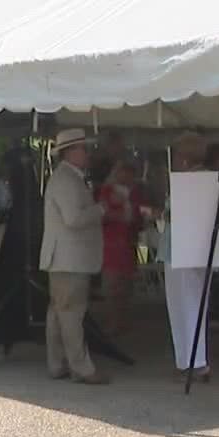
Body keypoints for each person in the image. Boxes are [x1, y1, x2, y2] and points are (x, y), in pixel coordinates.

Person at [40, 129, 108, 385]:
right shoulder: (66, 180)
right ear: (71, 152)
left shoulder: (67, 178)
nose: (87, 154)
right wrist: (99, 209)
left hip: (64, 257)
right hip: (69, 258)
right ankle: (81, 368)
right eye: (83, 149)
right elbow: (73, 219)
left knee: (59, 314)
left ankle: (57, 364)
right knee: (70, 314)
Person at [161, 133, 211, 381]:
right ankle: (188, 359)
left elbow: (180, 213)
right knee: (188, 303)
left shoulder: (192, 179)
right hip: (188, 247)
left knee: (186, 304)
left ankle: (194, 361)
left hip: (184, 248)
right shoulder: (199, 178)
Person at [95, 158, 147, 338]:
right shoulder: (107, 191)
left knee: (126, 285)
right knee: (112, 285)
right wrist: (120, 216)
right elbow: (101, 214)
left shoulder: (135, 193)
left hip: (128, 243)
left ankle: (122, 320)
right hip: (111, 243)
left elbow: (139, 217)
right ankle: (112, 321)